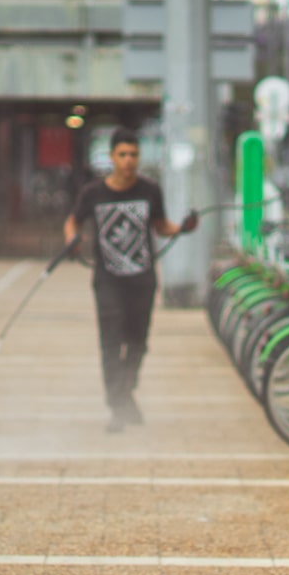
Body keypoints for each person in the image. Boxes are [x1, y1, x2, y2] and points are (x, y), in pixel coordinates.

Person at [65, 128, 197, 432]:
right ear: (112, 157)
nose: (128, 161)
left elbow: (162, 226)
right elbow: (73, 221)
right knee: (111, 343)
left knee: (137, 343)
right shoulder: (93, 193)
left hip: (142, 280)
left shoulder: (150, 190)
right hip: (107, 279)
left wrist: (184, 228)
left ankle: (124, 394)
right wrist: (72, 240)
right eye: (122, 155)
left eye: (133, 155)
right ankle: (118, 406)